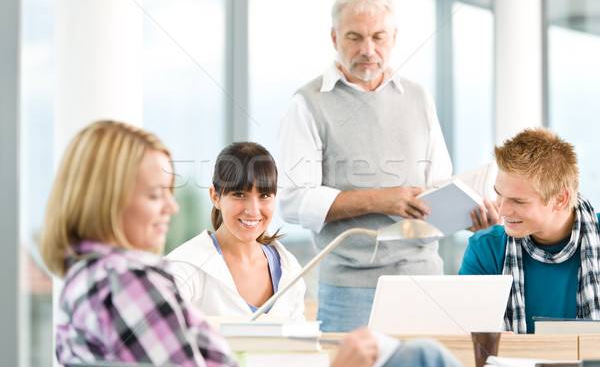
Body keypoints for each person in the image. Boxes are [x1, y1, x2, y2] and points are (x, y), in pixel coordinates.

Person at [41, 120, 458, 367]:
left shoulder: (91, 278)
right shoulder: (130, 282)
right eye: (154, 194)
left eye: (265, 195)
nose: (170, 206)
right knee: (422, 357)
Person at [277, 0, 499, 332]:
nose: (368, 49)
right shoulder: (307, 104)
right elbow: (291, 202)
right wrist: (380, 200)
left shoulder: (418, 97)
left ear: (394, 37)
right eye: (354, 37)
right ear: (334, 38)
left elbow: (436, 188)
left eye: (378, 36)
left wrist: (466, 216)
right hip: (350, 292)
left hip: (426, 284)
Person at [459, 127, 600, 333]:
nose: (502, 209)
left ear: (560, 199)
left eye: (518, 201)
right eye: (499, 194)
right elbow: (468, 340)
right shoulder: (485, 249)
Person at [165, 142, 306, 321]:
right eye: (239, 194)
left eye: (264, 196)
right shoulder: (182, 268)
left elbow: (300, 344)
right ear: (215, 197)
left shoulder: (289, 269)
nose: (253, 210)